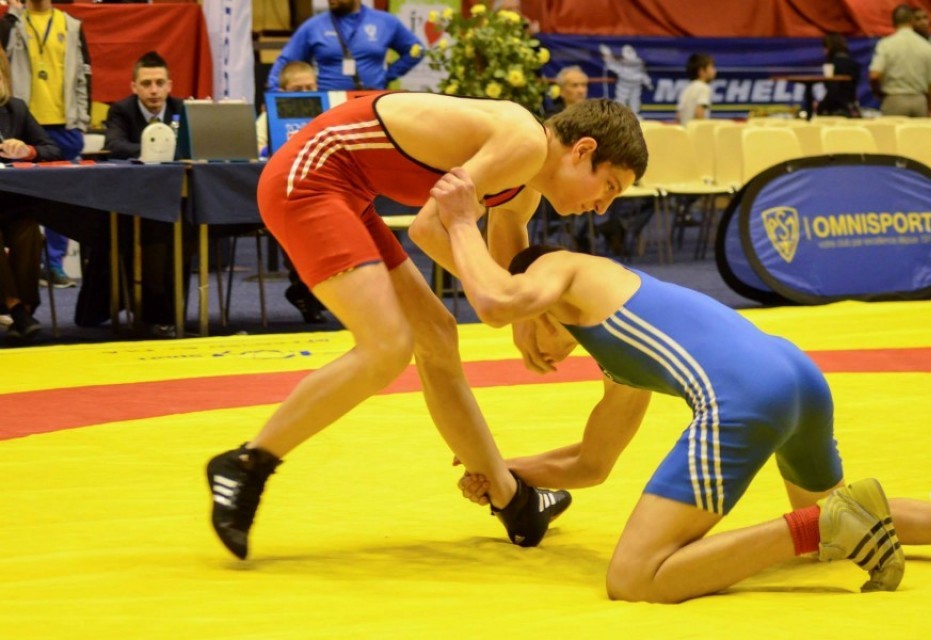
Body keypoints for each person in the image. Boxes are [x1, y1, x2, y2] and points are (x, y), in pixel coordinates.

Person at [431, 168, 931, 603]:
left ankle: (817, 530)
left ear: (538, 303)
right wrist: (504, 468)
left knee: (634, 578)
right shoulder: (615, 335)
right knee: (845, 503)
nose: (535, 350)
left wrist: (461, 222)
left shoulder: (563, 269)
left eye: (533, 327)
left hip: (745, 397)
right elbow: (591, 462)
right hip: (797, 376)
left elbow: (504, 291)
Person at [203, 94, 647, 560]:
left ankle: (512, 500)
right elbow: (430, 229)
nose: (602, 208)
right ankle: (247, 462)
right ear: (582, 150)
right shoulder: (524, 142)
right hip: (312, 177)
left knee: (437, 335)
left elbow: (508, 269)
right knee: (387, 345)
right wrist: (517, 306)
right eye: (609, 186)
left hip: (348, 192)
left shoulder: (525, 186)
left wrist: (526, 317)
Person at [92, 51, 188, 337]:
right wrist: (159, 149)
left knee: (187, 235)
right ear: (134, 87)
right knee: (152, 237)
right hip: (133, 202)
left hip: (179, 200)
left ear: (170, 86)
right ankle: (154, 316)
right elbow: (115, 145)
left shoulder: (183, 109)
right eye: (146, 84)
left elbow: (197, 147)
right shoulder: (121, 111)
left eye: (159, 83)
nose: (154, 90)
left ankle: (173, 315)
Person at [0, 0, 91, 288]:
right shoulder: (11, 23)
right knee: (20, 207)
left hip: (63, 123)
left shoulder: (71, 25)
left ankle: (54, 264)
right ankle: (29, 270)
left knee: (60, 202)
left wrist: (81, 121)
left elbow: (84, 74)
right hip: (21, 121)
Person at [255, 59, 327, 325]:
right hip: (284, 195)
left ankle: (311, 291)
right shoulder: (268, 117)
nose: (305, 94)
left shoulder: (326, 115)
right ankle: (304, 289)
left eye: (310, 88)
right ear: (283, 92)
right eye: (298, 89)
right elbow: (256, 148)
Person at [0, 45, 61, 343]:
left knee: (30, 235)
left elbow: (53, 150)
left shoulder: (17, 109)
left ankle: (20, 312)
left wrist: (28, 151)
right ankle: (16, 310)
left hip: (12, 206)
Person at [265, 0, 422, 93]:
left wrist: (387, 75)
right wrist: (273, 92)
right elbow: (285, 60)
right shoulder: (313, 26)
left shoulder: (385, 22)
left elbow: (416, 50)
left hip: (369, 101)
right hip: (328, 103)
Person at [869, 4, 931, 117]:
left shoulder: (885, 45)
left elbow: (874, 75)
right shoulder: (927, 47)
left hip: (894, 100)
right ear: (912, 21)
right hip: (919, 100)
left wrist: (878, 93)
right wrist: (930, 109)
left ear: (893, 23)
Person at [816, 34, 860, 117]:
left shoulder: (829, 65)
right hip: (850, 107)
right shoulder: (853, 64)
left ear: (829, 48)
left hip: (833, 109)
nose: (823, 51)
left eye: (824, 47)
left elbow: (832, 90)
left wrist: (821, 106)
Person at [676, 53, 715, 125]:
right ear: (701, 71)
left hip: (685, 130)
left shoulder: (687, 89)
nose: (714, 71)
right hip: (697, 130)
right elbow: (699, 111)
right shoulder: (704, 88)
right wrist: (701, 129)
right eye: (712, 67)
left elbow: (678, 115)